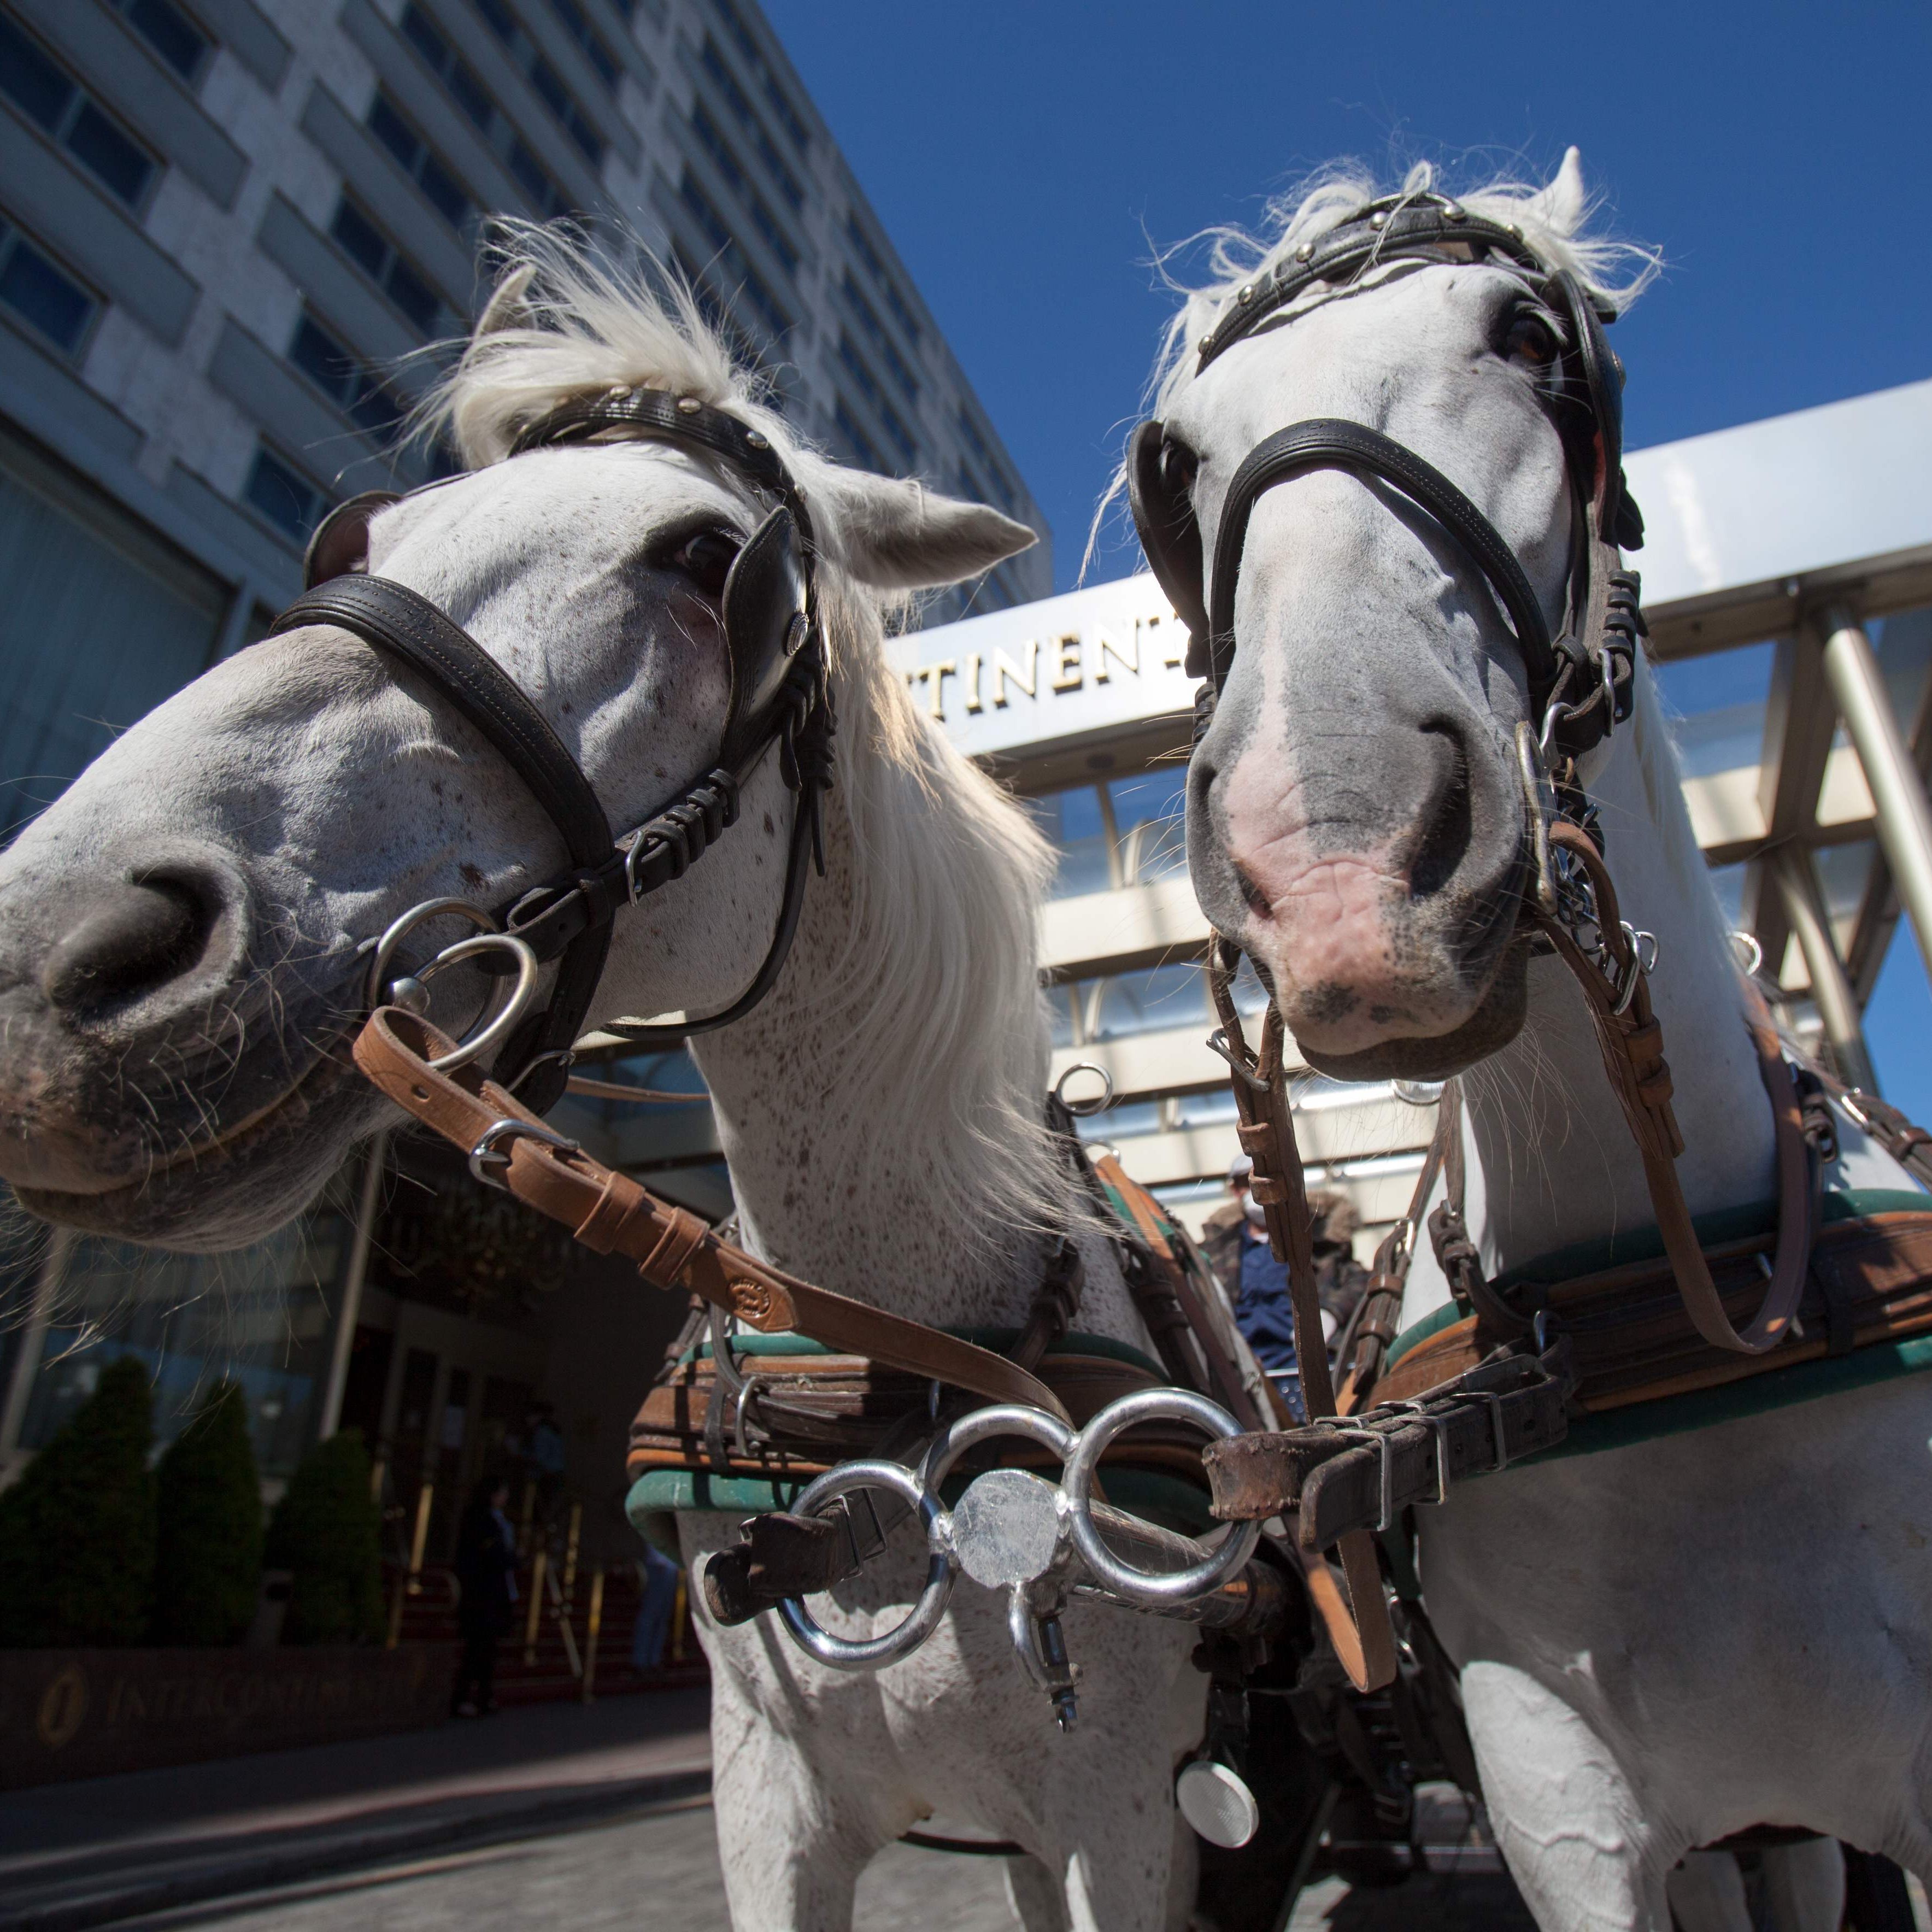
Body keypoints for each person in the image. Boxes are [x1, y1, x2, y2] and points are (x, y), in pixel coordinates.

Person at [1201, 1156, 1369, 1420]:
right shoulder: (1215, 1252)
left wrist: (1331, 1313)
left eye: (1266, 1179)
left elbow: (1360, 1280)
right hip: (1244, 1381)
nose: (1257, 1190)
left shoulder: (1320, 1241)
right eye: (1247, 1182)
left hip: (1309, 1373)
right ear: (1235, 1191)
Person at [451, 1473, 519, 1718]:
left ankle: (484, 1696)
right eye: (502, 1491)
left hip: (497, 1593)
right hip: (481, 1594)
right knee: (476, 1649)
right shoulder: (479, 1519)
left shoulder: (500, 1521)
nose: (505, 1497)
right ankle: (462, 1698)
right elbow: (489, 1555)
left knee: (489, 1650)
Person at [631, 1541, 683, 1672]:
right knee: (649, 1616)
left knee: (662, 1617)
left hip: (671, 1567)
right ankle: (640, 1660)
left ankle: (654, 1659)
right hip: (657, 1565)